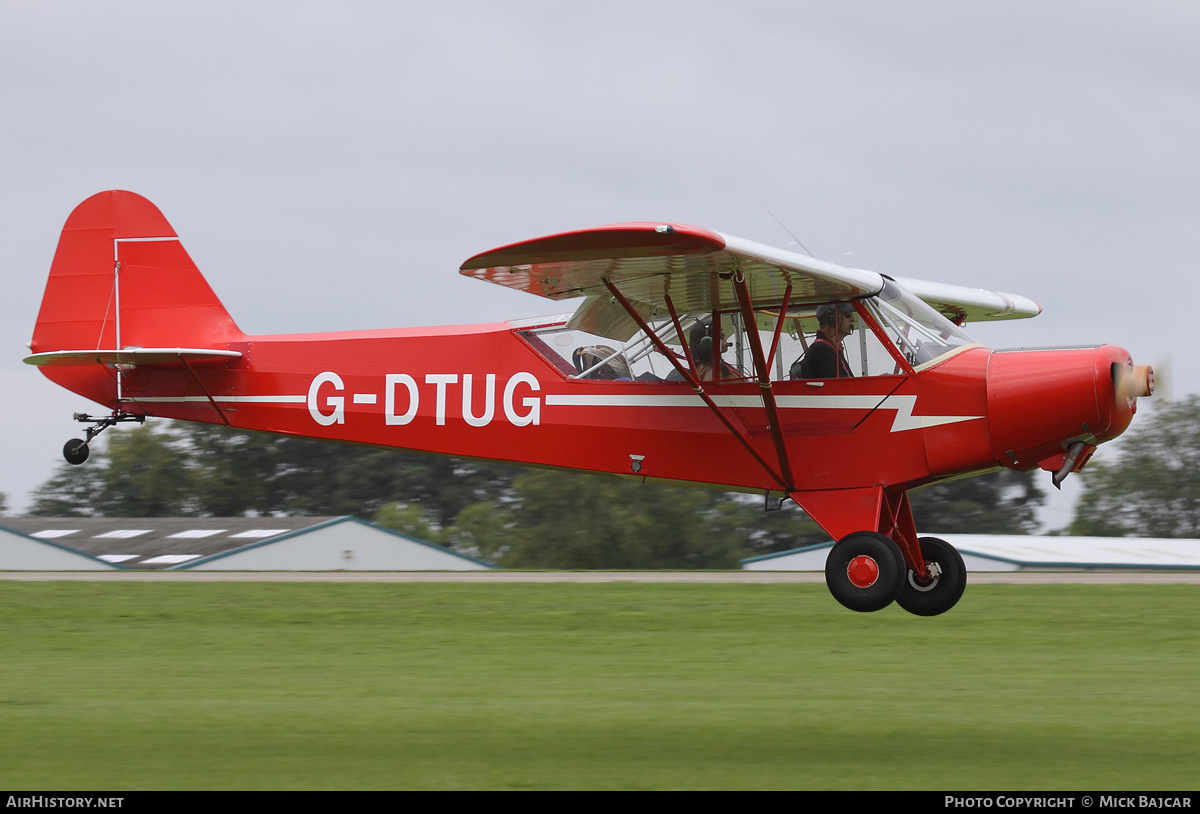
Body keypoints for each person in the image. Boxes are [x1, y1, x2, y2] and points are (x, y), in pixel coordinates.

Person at [790, 303, 856, 379]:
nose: (853, 319)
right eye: (848, 314)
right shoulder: (821, 351)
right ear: (833, 318)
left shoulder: (833, 349)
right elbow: (842, 388)